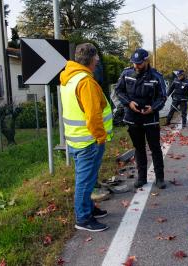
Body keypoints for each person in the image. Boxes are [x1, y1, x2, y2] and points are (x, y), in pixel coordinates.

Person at [60, 43, 113, 232]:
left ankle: (89, 209)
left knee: (86, 179)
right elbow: (92, 115)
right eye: (97, 58)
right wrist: (100, 137)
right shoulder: (85, 82)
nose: (98, 61)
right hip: (89, 141)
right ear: (92, 59)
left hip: (76, 139)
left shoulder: (69, 78)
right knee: (85, 181)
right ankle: (83, 219)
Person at [115, 48, 167, 189]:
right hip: (133, 118)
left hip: (151, 119)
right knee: (139, 148)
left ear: (146, 61)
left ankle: (160, 178)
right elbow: (119, 91)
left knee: (155, 148)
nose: (136, 66)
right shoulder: (126, 73)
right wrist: (128, 103)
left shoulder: (156, 76)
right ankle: (142, 177)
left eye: (139, 63)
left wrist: (153, 108)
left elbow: (163, 96)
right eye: (134, 63)